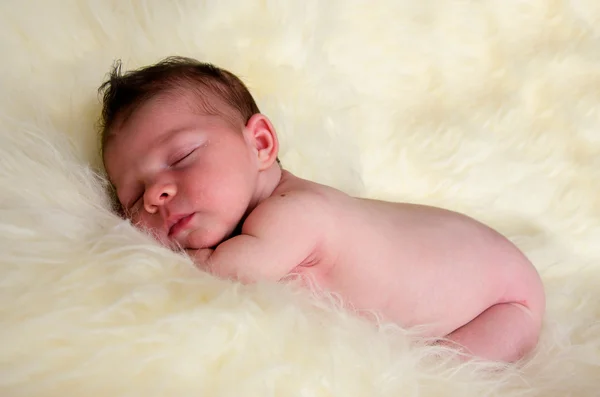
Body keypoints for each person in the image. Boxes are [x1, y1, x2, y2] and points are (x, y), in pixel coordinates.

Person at [99, 56, 545, 363]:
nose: (156, 194)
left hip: (505, 299)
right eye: (133, 198)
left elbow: (225, 272)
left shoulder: (294, 213)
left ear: (259, 144)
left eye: (180, 157)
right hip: (459, 251)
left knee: (441, 371)